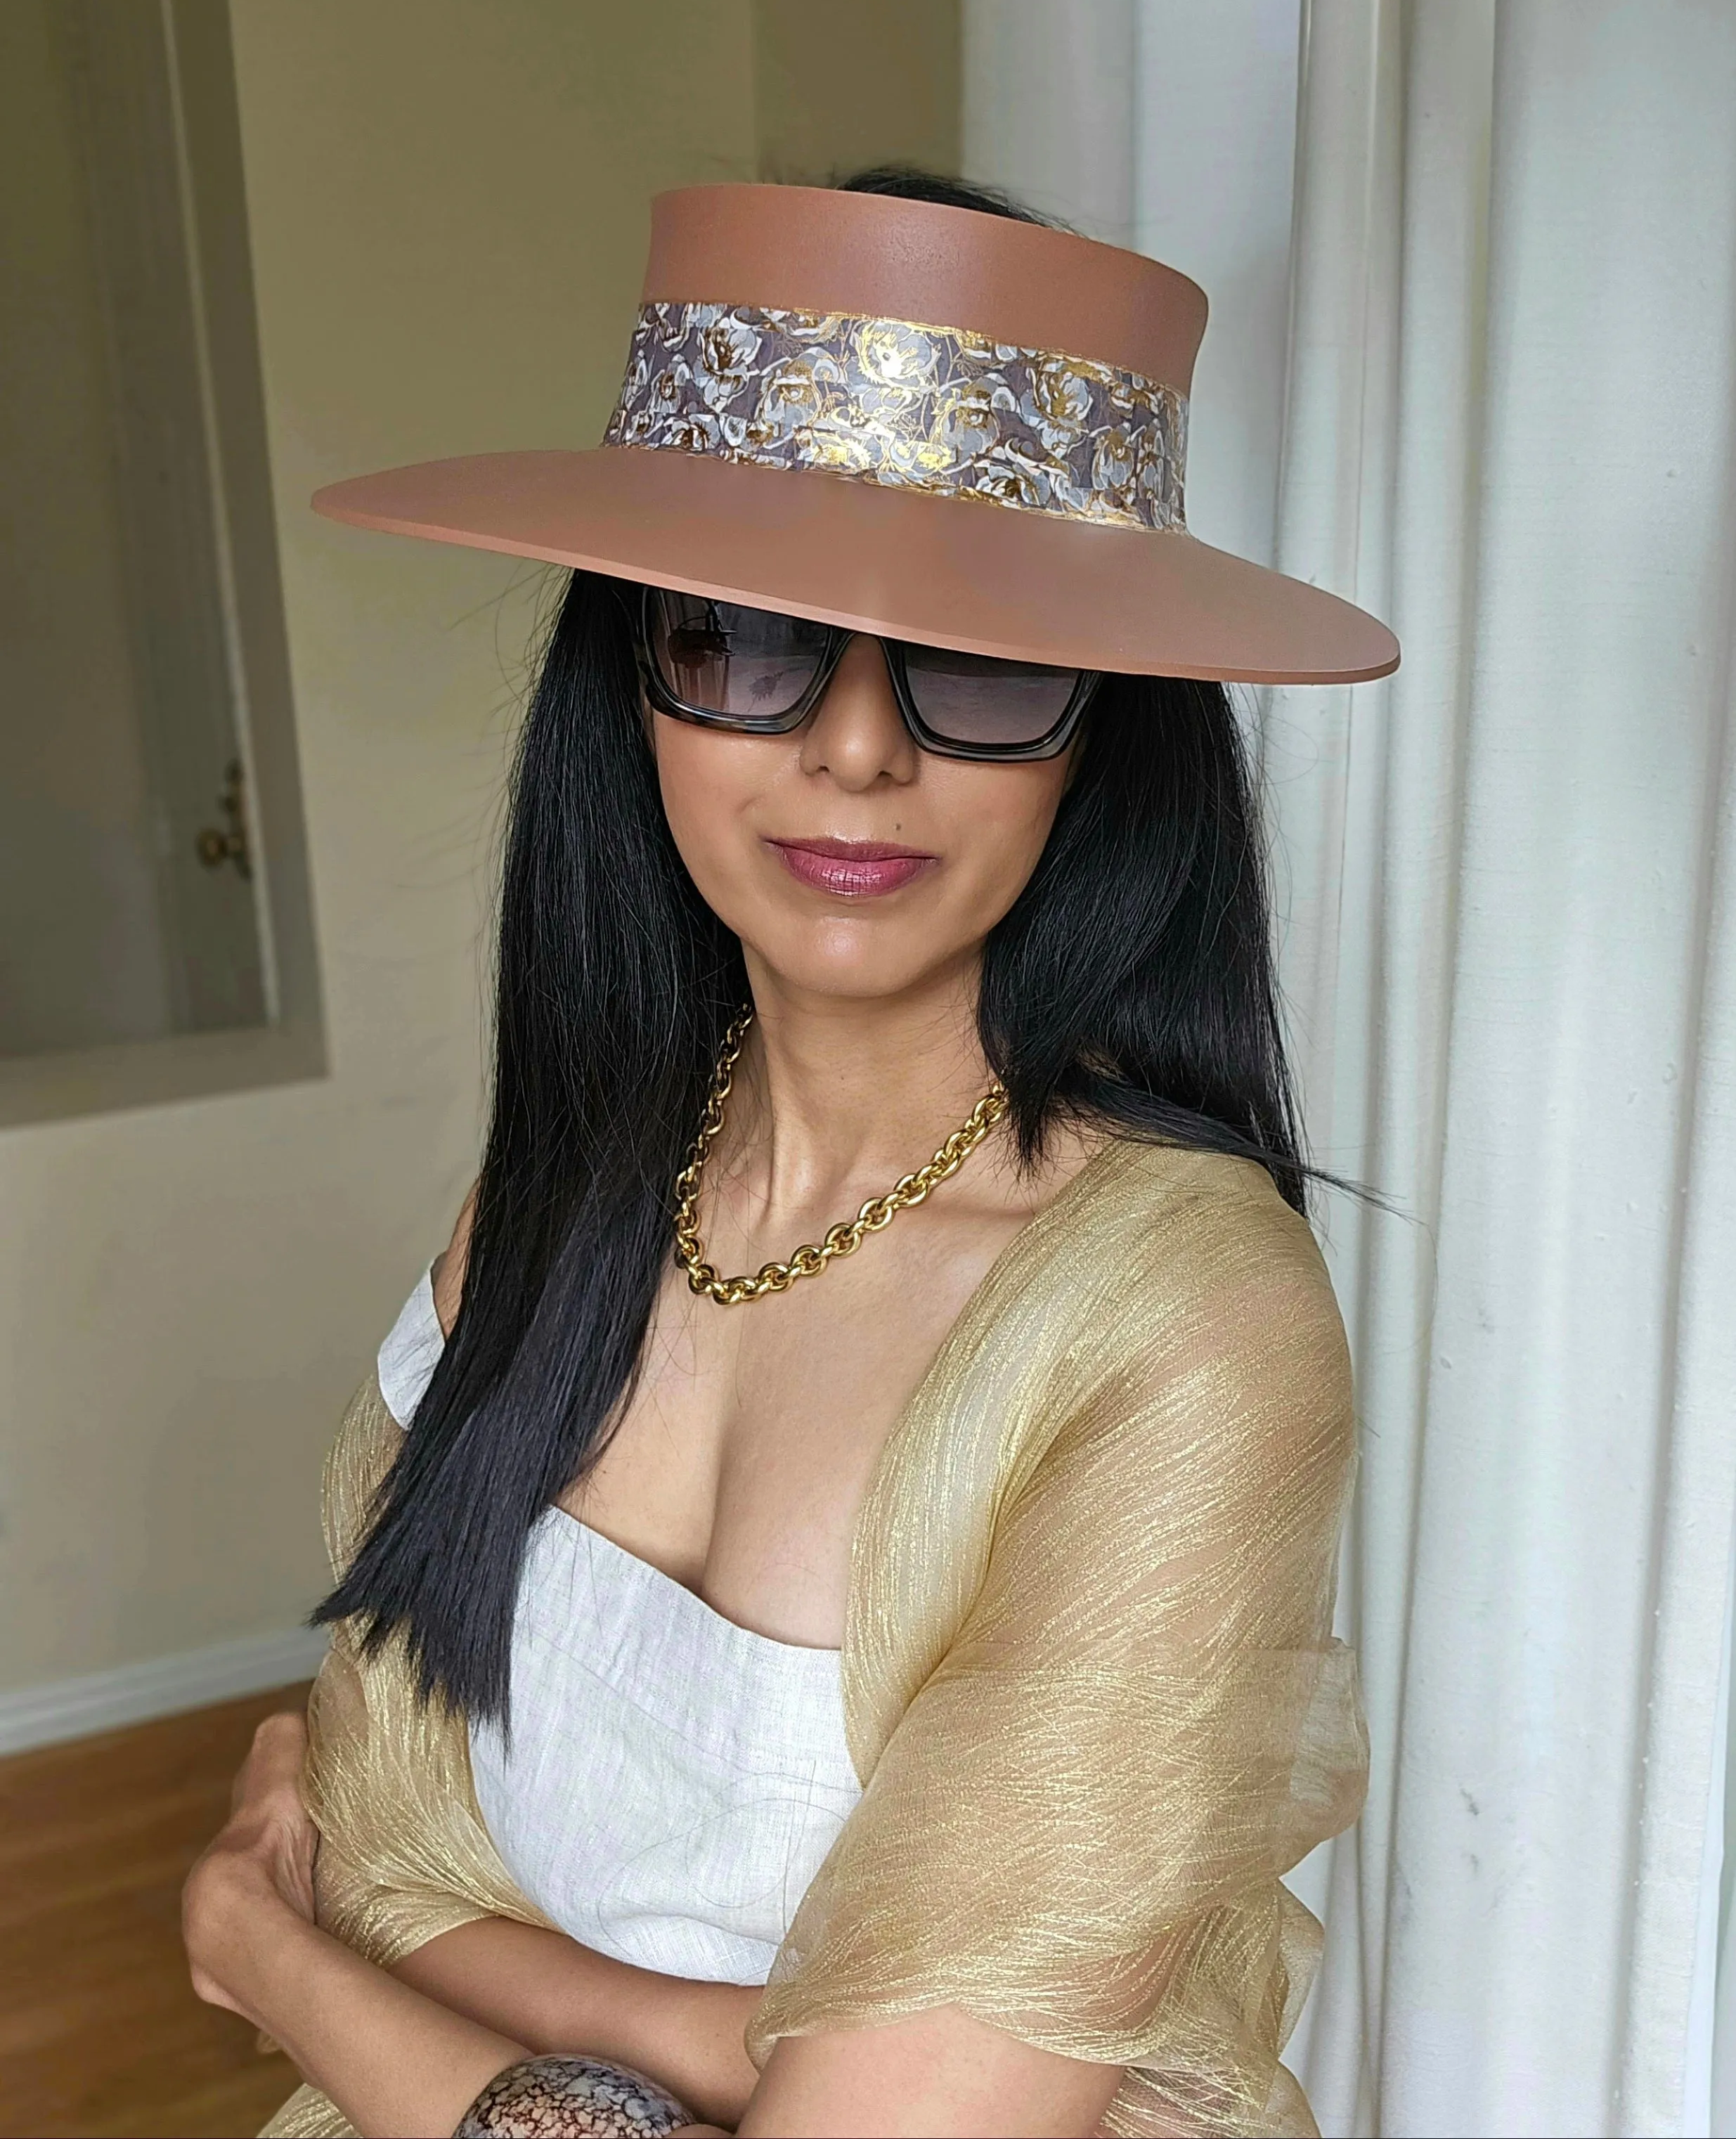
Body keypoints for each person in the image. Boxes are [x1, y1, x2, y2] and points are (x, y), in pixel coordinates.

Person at [182, 169, 1396, 2139]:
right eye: (744, 637)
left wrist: (276, 1963)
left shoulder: (1185, 1324)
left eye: (981, 658)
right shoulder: (570, 1193)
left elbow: (368, 1896)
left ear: (1111, 727)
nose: (851, 747)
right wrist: (765, 2041)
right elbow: (386, 1826)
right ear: (631, 672)